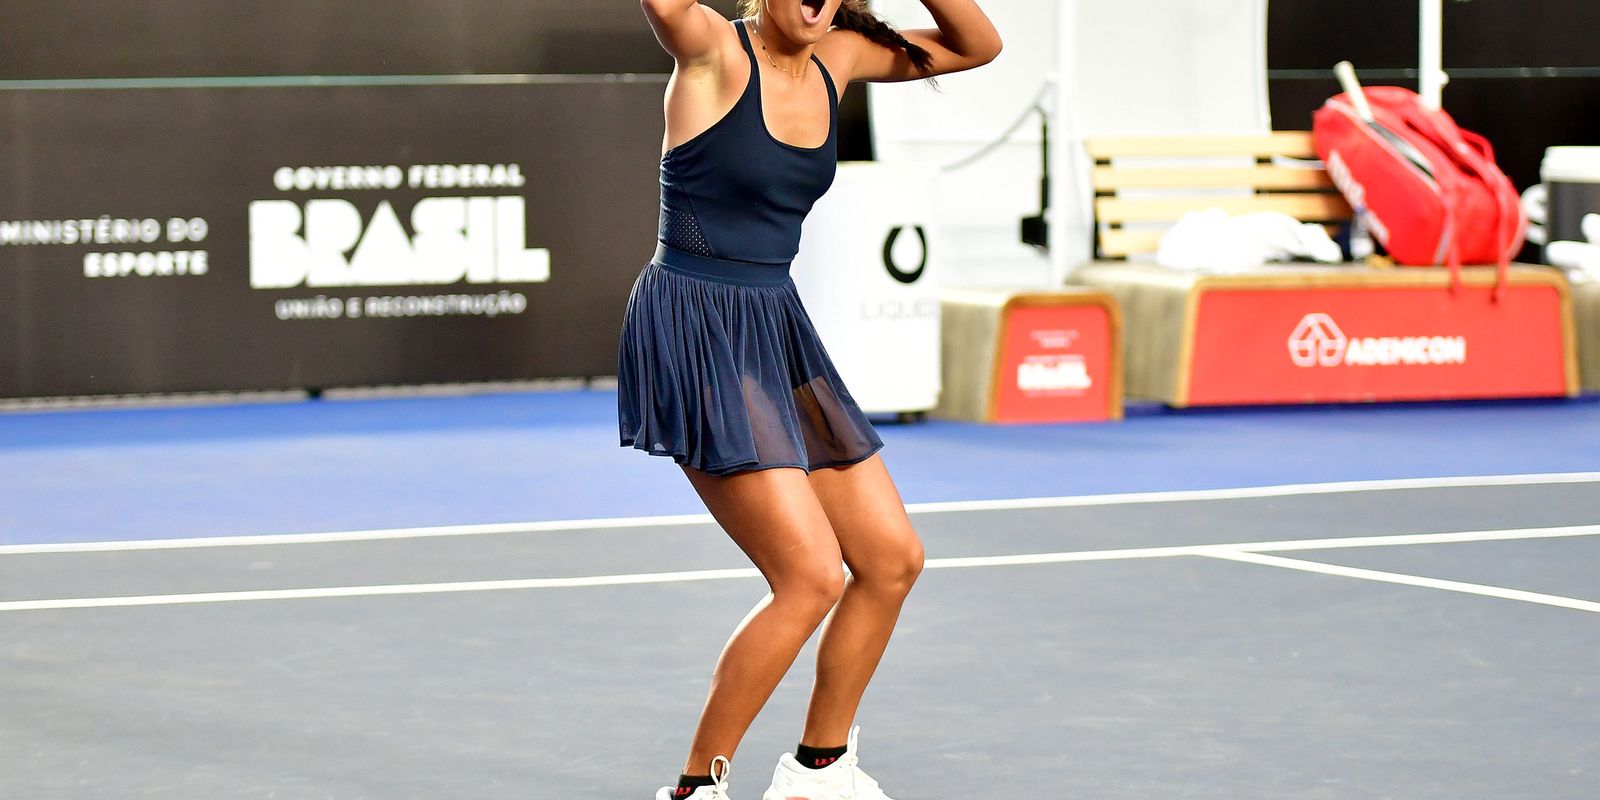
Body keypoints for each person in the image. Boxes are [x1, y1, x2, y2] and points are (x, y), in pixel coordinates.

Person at [618, 1, 1000, 798]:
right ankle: (694, 789)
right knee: (810, 577)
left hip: (773, 322)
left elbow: (977, 45)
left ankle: (818, 772)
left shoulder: (843, 55)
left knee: (891, 561)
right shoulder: (712, 50)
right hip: (694, 323)